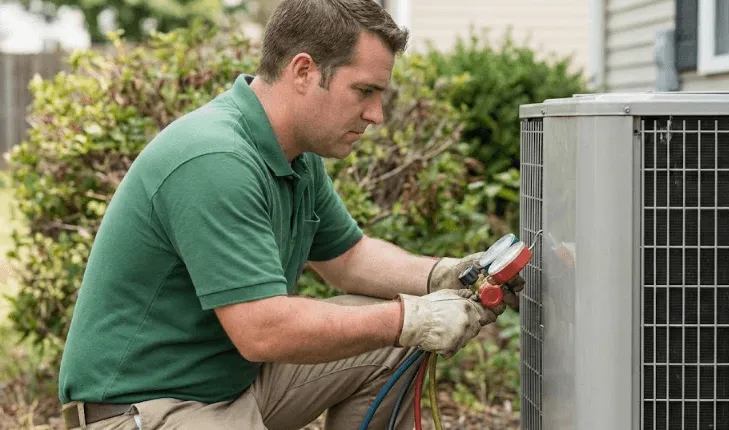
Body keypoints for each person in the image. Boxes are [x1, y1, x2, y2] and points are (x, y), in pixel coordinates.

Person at [57, 0, 524, 429]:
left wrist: (445, 275)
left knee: (388, 344)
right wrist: (410, 318)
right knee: (394, 326)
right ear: (304, 71)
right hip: (149, 409)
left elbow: (349, 259)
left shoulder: (295, 156)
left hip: (230, 387)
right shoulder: (214, 158)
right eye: (364, 90)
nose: (377, 114)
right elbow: (262, 330)